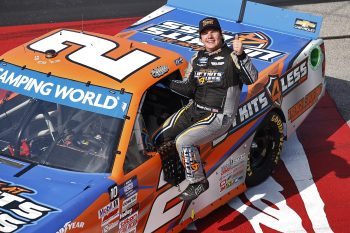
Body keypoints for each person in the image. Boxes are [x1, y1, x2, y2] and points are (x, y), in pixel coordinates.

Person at [153, 17, 258, 201]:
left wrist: (242, 55)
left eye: (213, 31)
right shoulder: (197, 57)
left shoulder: (233, 56)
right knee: (158, 137)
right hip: (194, 109)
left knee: (183, 141)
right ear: (201, 37)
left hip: (219, 116)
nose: (209, 36)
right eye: (205, 33)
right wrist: (164, 80)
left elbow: (251, 78)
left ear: (220, 33)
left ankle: (198, 181)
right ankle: (178, 167)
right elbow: (188, 88)